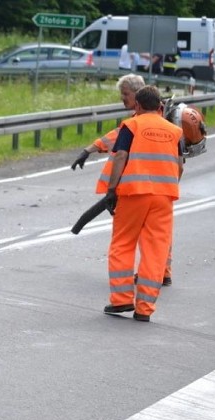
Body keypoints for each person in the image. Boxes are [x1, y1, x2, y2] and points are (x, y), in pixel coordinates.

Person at [71, 74, 174, 286]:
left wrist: (112, 190)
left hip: (144, 188)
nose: (122, 98)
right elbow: (117, 135)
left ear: (137, 96)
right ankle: (161, 272)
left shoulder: (148, 120)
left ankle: (146, 280)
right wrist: (88, 149)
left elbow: (121, 152)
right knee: (156, 236)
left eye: (125, 94)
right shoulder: (146, 118)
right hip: (161, 189)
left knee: (134, 240)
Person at [99, 85, 184, 322]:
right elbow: (180, 164)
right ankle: (144, 308)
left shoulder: (132, 125)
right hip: (164, 197)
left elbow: (121, 156)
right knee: (156, 250)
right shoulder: (174, 131)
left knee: (123, 244)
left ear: (136, 106)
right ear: (160, 107)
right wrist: (168, 186)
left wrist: (112, 189)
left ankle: (122, 300)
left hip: (133, 194)